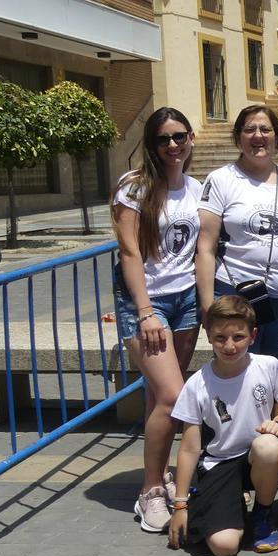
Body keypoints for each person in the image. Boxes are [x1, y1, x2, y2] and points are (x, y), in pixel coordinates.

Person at [111, 107, 203, 533]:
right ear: (150, 143)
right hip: (147, 303)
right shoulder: (134, 187)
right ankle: (149, 491)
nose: (172, 145)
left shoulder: (195, 187)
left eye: (179, 137)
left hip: (186, 300)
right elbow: (130, 253)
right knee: (171, 395)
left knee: (158, 396)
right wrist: (145, 310)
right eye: (163, 139)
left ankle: (162, 474)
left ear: (190, 138)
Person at [167, 296, 278, 556]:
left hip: (259, 456)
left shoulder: (269, 366)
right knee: (224, 547)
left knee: (268, 446)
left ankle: (262, 514)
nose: (229, 345)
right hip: (220, 462)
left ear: (253, 336)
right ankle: (230, 509)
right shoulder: (198, 383)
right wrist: (180, 505)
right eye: (221, 337)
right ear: (208, 336)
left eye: (238, 337)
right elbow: (189, 448)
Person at [196, 105, 278, 360]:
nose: (258, 136)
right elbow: (205, 248)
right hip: (233, 301)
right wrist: (207, 306)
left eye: (265, 129)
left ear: (277, 137)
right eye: (249, 129)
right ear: (238, 136)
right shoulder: (220, 180)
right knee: (236, 376)